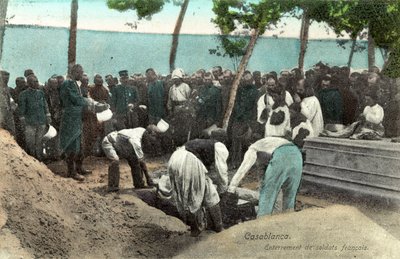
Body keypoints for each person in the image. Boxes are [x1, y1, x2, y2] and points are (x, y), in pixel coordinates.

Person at [227, 137, 303, 217]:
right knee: (290, 195)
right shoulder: (269, 145)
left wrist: (231, 188)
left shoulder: (253, 149)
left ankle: (262, 221)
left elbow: (243, 169)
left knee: (267, 196)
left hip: (282, 155)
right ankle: (287, 220)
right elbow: (262, 171)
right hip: (297, 155)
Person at [167, 138, 228, 236]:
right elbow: (222, 170)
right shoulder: (220, 147)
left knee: (187, 196)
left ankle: (195, 229)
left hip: (175, 159)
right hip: (188, 162)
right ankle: (219, 228)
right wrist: (224, 189)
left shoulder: (202, 143)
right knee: (211, 194)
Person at [59, 64, 108, 181]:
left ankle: (79, 168)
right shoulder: (68, 83)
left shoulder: (74, 83)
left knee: (79, 145)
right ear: (75, 72)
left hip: (76, 117)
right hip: (71, 118)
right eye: (81, 73)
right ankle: (71, 172)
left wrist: (94, 104)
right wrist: (94, 104)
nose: (81, 75)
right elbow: (76, 99)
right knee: (72, 145)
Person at [102, 125, 164, 192]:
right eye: (154, 136)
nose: (154, 139)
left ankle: (139, 184)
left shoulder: (143, 131)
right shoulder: (136, 141)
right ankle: (112, 187)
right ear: (148, 133)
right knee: (115, 160)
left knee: (135, 162)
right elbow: (142, 162)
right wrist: (149, 179)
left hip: (124, 146)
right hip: (110, 143)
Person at [229, 71, 258, 168]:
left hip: (248, 119)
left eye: (249, 78)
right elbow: (235, 103)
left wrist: (251, 120)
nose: (247, 80)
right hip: (238, 118)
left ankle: (244, 163)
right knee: (235, 140)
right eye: (245, 78)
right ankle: (235, 162)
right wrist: (238, 113)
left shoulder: (255, 91)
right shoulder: (240, 90)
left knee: (245, 141)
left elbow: (254, 106)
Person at [18, 75, 51, 161]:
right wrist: (23, 123)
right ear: (28, 83)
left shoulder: (41, 93)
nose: (37, 83)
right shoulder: (23, 94)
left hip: (41, 121)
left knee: (40, 141)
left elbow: (45, 105)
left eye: (37, 81)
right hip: (30, 123)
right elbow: (21, 110)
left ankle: (40, 158)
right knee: (30, 142)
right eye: (34, 81)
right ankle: (33, 159)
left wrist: (48, 115)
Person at [0, 70, 16, 136]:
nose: (6, 79)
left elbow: (10, 98)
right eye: (5, 78)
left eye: (7, 78)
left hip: (8, 112)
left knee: (12, 132)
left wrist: (13, 105)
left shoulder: (7, 88)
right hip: (1, 112)